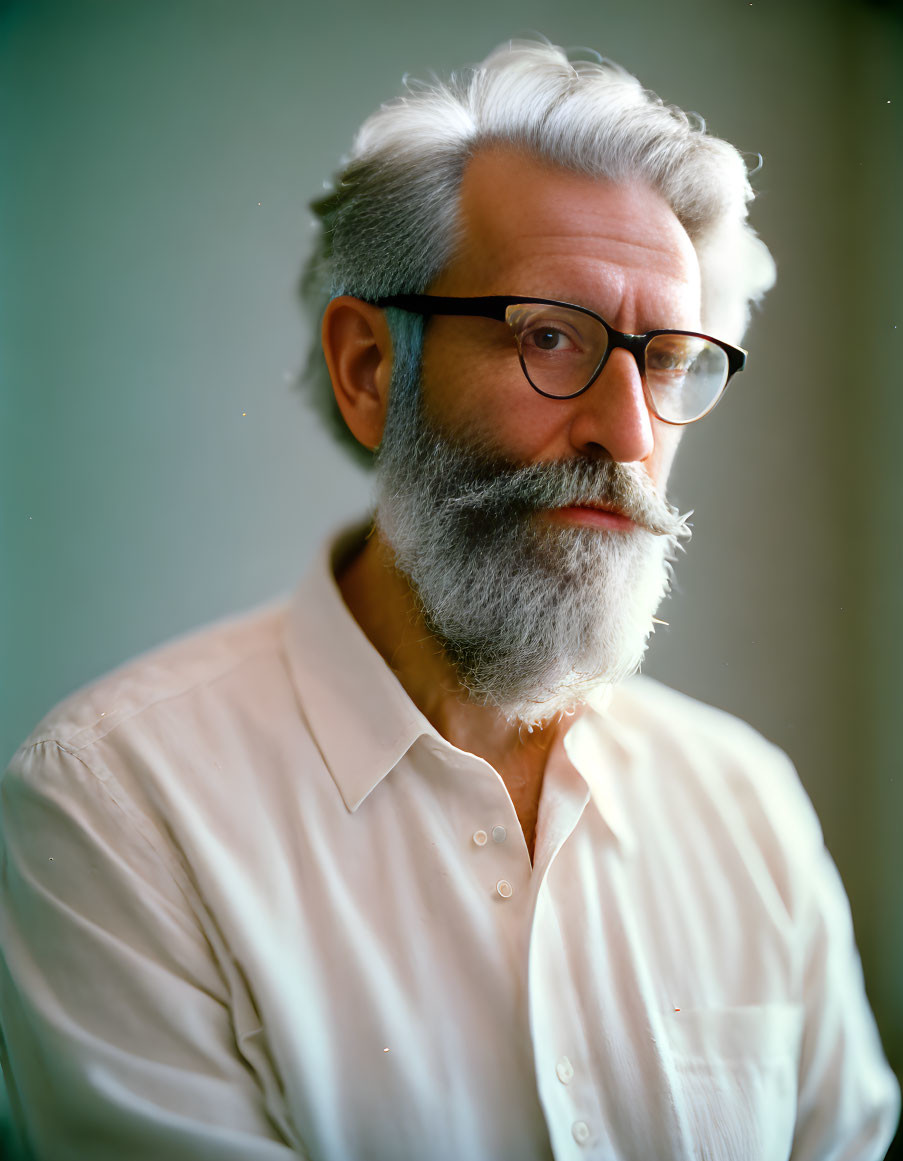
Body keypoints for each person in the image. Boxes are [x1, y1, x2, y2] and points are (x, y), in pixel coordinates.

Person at [0, 39, 898, 1161]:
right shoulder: (120, 811)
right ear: (372, 368)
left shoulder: (748, 812)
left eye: (667, 359)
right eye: (550, 337)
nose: (629, 435)